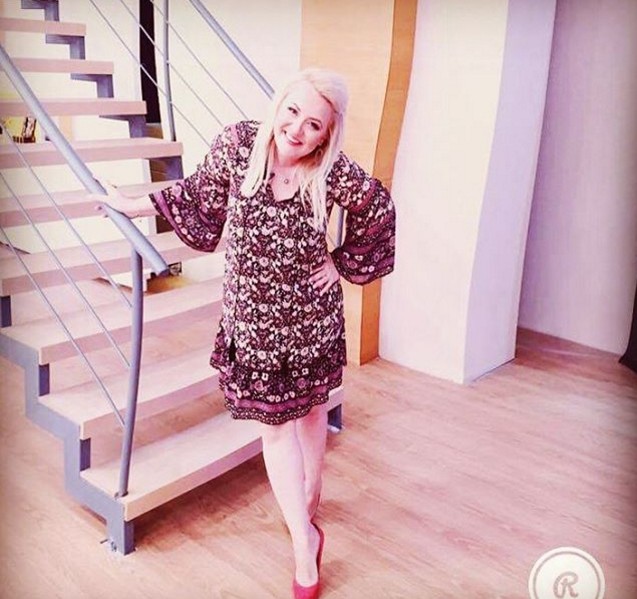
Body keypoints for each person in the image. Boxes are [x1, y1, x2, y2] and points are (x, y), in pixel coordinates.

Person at [98, 67, 395, 599]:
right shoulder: (239, 146)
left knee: (310, 411)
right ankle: (305, 544)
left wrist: (342, 263)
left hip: (310, 319)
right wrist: (134, 205)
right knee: (275, 429)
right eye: (292, 112)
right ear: (279, 105)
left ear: (326, 134)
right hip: (253, 321)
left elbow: (377, 208)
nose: (297, 129)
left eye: (313, 124)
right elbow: (197, 195)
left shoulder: (331, 171)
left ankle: (312, 491)